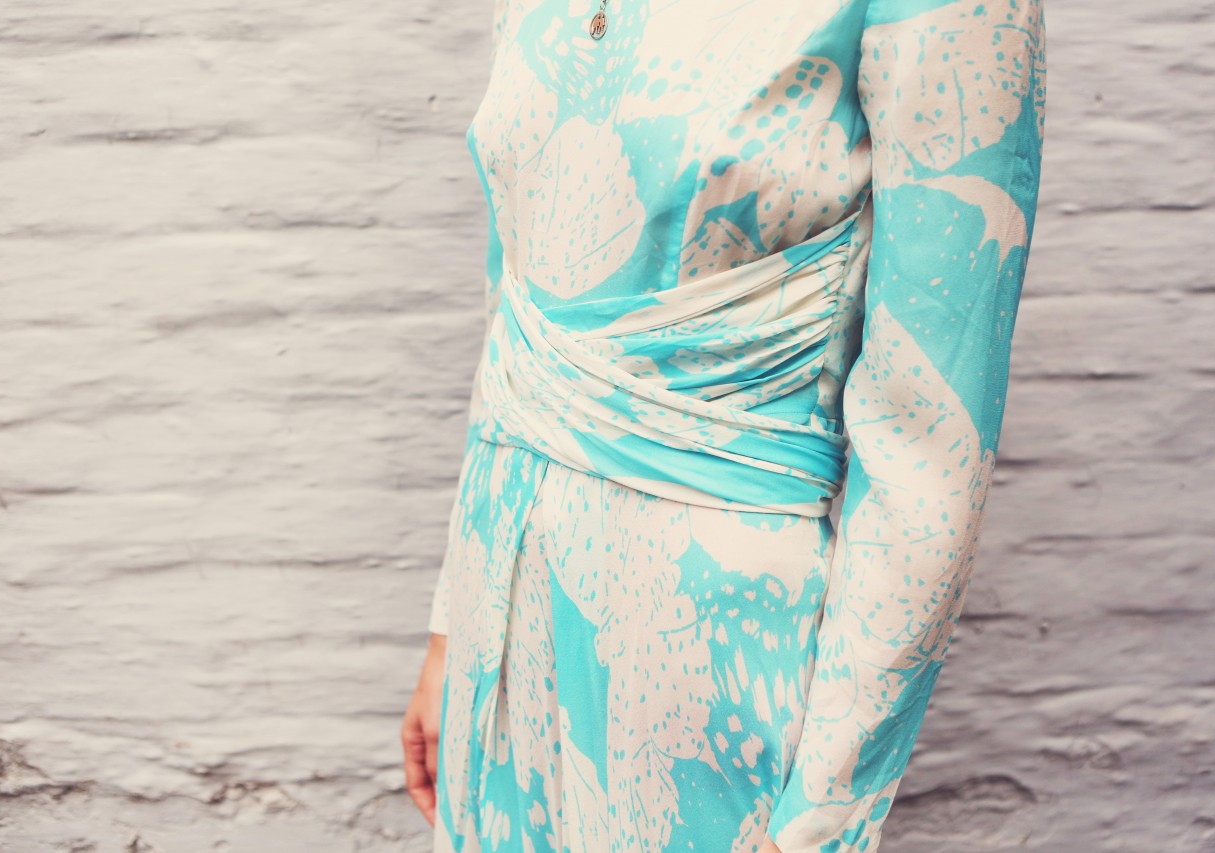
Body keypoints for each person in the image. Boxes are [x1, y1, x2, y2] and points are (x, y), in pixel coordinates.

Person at [402, 0, 1048, 849]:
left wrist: (822, 816)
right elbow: (514, 315)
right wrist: (450, 625)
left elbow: (930, 437)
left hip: (704, 657)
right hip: (500, 607)